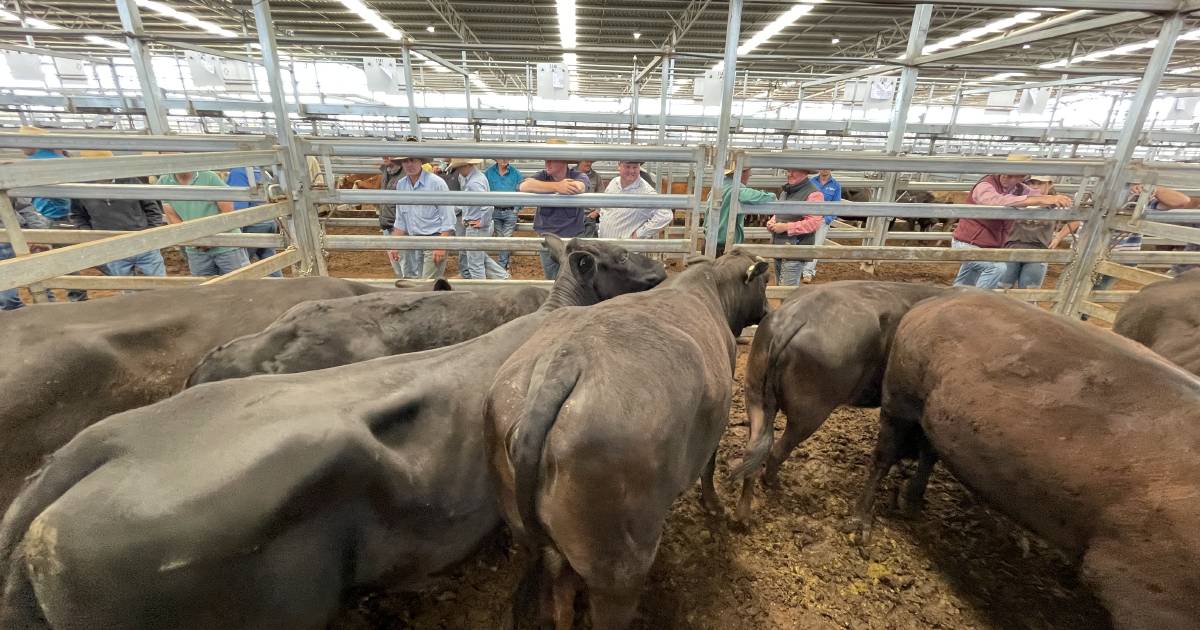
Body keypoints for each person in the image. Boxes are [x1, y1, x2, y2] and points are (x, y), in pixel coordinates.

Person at [952, 155, 1072, 289]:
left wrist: (1057, 200)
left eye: (1013, 175)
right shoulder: (986, 184)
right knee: (996, 268)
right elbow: (994, 201)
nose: (1006, 178)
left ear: (1022, 177)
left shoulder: (1020, 189)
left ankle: (952, 303)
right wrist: (1038, 200)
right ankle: (978, 302)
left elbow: (1039, 199)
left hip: (990, 245)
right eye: (1005, 174)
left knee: (965, 284)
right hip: (968, 243)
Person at [70, 150, 166, 278]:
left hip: (142, 241)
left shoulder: (130, 181)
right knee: (126, 287)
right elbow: (78, 215)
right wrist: (91, 235)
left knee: (159, 283)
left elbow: (152, 207)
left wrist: (151, 232)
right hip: (111, 246)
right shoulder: (81, 188)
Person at [21, 126, 86, 301]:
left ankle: (45, 300)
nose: (21, 148)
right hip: (64, 216)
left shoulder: (34, 162)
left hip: (45, 217)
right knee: (69, 261)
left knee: (39, 262)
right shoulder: (60, 158)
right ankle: (78, 298)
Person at [157, 168, 250, 276]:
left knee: (240, 284)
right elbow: (171, 216)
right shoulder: (164, 181)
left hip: (226, 244)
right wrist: (195, 239)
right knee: (204, 290)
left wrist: (210, 238)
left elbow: (227, 210)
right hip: (196, 249)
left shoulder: (209, 177)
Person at [518, 147, 590, 279]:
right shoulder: (543, 175)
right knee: (552, 279)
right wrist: (557, 186)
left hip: (571, 240)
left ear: (563, 161)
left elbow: (581, 186)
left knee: (572, 280)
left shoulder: (578, 176)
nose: (547, 163)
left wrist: (564, 186)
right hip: (548, 239)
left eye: (552, 159)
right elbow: (523, 186)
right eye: (546, 159)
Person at [393, 155, 456, 279]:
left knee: (428, 285)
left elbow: (448, 217)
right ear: (401, 164)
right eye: (405, 161)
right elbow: (400, 218)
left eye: (413, 160)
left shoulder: (436, 183)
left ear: (420, 161)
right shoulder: (401, 185)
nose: (409, 164)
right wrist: (394, 244)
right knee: (420, 283)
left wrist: (441, 245)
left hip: (434, 240)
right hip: (414, 241)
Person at [998, 175, 1060, 290]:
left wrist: (1058, 237)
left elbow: (1074, 220)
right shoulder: (1018, 198)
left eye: (1040, 183)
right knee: (1002, 289)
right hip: (1011, 248)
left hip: (1038, 251)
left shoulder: (1055, 203)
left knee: (1029, 291)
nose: (1035, 187)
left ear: (1050, 184)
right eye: (1031, 183)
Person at [452, 158, 509, 280]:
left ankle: (480, 289)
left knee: (475, 264)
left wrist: (482, 222)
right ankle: (503, 277)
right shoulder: (476, 177)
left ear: (466, 166)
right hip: (477, 225)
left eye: (459, 168)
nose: (458, 171)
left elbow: (487, 205)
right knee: (479, 257)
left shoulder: (474, 182)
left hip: (476, 227)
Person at [767, 168, 826, 286]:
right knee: (780, 287)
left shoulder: (814, 194)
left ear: (805, 172)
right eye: (788, 171)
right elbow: (780, 212)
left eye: (794, 170)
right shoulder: (785, 191)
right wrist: (773, 221)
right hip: (779, 246)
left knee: (787, 291)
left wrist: (786, 227)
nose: (789, 174)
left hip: (796, 248)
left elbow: (814, 223)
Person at [224, 166, 282, 277]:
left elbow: (239, 207)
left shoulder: (237, 173)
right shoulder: (260, 170)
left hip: (253, 224)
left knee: (241, 263)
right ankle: (280, 286)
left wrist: (235, 234)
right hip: (269, 221)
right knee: (270, 261)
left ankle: (246, 289)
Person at [706, 166, 776, 257]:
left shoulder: (719, 185)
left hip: (710, 241)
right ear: (741, 173)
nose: (750, 174)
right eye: (748, 171)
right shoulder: (735, 189)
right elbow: (758, 197)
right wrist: (773, 196)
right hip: (722, 246)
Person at [598, 160, 671, 239]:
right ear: (619, 166)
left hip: (626, 248)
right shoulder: (614, 182)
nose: (632, 171)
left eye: (635, 167)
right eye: (628, 167)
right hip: (605, 245)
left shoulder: (646, 191)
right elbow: (604, 208)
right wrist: (601, 227)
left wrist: (639, 234)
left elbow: (666, 215)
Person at [1, 198, 51, 311]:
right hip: (12, 236)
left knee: (41, 288)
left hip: (15, 236)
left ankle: (49, 320)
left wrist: (40, 235)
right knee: (8, 299)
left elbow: (23, 206)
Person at [803, 168, 842, 282]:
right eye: (822, 166)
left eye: (827, 167)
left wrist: (828, 218)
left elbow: (836, 204)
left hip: (822, 220)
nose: (824, 169)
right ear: (819, 168)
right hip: (808, 218)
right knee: (804, 242)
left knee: (817, 245)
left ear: (831, 169)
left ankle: (808, 272)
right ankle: (800, 269)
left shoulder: (836, 185)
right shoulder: (810, 182)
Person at [484, 158, 523, 272]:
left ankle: (502, 266)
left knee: (506, 238)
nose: (505, 160)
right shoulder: (488, 173)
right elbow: (484, 191)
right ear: (496, 159)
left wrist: (516, 209)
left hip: (510, 211)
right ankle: (504, 264)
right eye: (501, 157)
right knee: (501, 238)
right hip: (495, 211)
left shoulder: (516, 174)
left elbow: (521, 193)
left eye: (507, 157)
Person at [577, 159, 604, 238]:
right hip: (572, 217)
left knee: (588, 246)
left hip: (589, 217)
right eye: (586, 161)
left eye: (590, 161)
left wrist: (596, 212)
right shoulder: (570, 174)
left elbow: (603, 197)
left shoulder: (596, 176)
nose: (589, 163)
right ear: (579, 161)